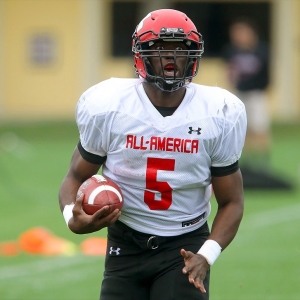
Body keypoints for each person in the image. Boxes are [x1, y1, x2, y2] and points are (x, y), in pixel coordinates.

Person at [59, 9, 247, 300]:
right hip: (125, 244)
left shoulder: (218, 113)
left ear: (193, 56)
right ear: (141, 54)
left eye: (180, 50)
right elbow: (75, 176)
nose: (170, 57)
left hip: (185, 246)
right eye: (160, 48)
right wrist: (72, 216)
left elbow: (232, 201)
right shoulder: (110, 107)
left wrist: (205, 256)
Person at [222, 18, 271, 169]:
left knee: (260, 127)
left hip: (256, 94)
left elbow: (266, 75)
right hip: (239, 94)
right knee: (243, 129)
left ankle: (263, 163)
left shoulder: (261, 51)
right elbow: (228, 71)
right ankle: (247, 163)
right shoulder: (231, 51)